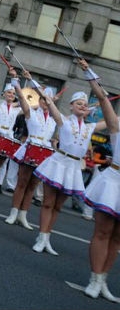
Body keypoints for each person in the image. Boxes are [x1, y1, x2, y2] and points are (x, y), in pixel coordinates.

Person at [32, 62, 111, 256]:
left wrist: (102, 98)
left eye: (85, 104)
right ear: (71, 106)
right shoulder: (63, 120)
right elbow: (48, 102)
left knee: (58, 206)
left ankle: (47, 237)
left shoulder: (90, 127)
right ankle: (41, 237)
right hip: (58, 163)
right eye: (78, 103)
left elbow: (112, 119)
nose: (82, 106)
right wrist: (37, 86)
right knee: (48, 203)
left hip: (74, 167)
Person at [79, 59, 120, 299]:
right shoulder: (118, 124)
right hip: (114, 181)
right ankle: (94, 279)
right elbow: (103, 99)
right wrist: (89, 73)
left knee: (117, 239)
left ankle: (103, 280)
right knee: (103, 232)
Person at [4, 70, 57, 230]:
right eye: (43, 99)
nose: (45, 103)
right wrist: (16, 81)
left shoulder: (55, 118)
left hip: (44, 153)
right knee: (22, 183)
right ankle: (13, 212)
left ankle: (23, 215)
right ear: (39, 100)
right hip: (30, 149)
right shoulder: (31, 113)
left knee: (33, 186)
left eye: (48, 100)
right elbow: (21, 98)